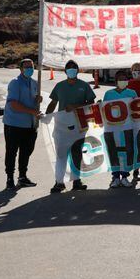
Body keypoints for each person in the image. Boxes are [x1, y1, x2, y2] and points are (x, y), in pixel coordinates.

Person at [46, 60, 96, 193]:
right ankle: (59, 182)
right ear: (65, 71)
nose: (72, 70)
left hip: (79, 124)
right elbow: (53, 102)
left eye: (74, 68)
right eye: (69, 68)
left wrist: (76, 106)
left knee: (76, 153)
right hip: (61, 125)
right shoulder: (59, 86)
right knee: (61, 155)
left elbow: (91, 102)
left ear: (78, 70)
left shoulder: (84, 86)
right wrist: (46, 116)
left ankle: (77, 181)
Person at [2, 58, 42, 190]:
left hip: (30, 124)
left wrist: (38, 99)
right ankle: (9, 178)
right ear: (21, 69)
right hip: (14, 123)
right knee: (12, 151)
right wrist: (32, 111)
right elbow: (13, 104)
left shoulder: (35, 83)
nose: (29, 69)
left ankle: (22, 177)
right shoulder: (15, 83)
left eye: (31, 67)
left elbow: (33, 99)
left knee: (26, 151)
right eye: (26, 67)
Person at [103, 70, 137, 188]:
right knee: (113, 151)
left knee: (127, 151)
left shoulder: (132, 93)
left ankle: (125, 176)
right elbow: (104, 110)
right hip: (112, 128)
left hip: (127, 127)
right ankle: (116, 177)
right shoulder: (108, 94)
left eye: (124, 78)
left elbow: (136, 109)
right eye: (120, 79)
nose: (122, 81)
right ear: (116, 80)